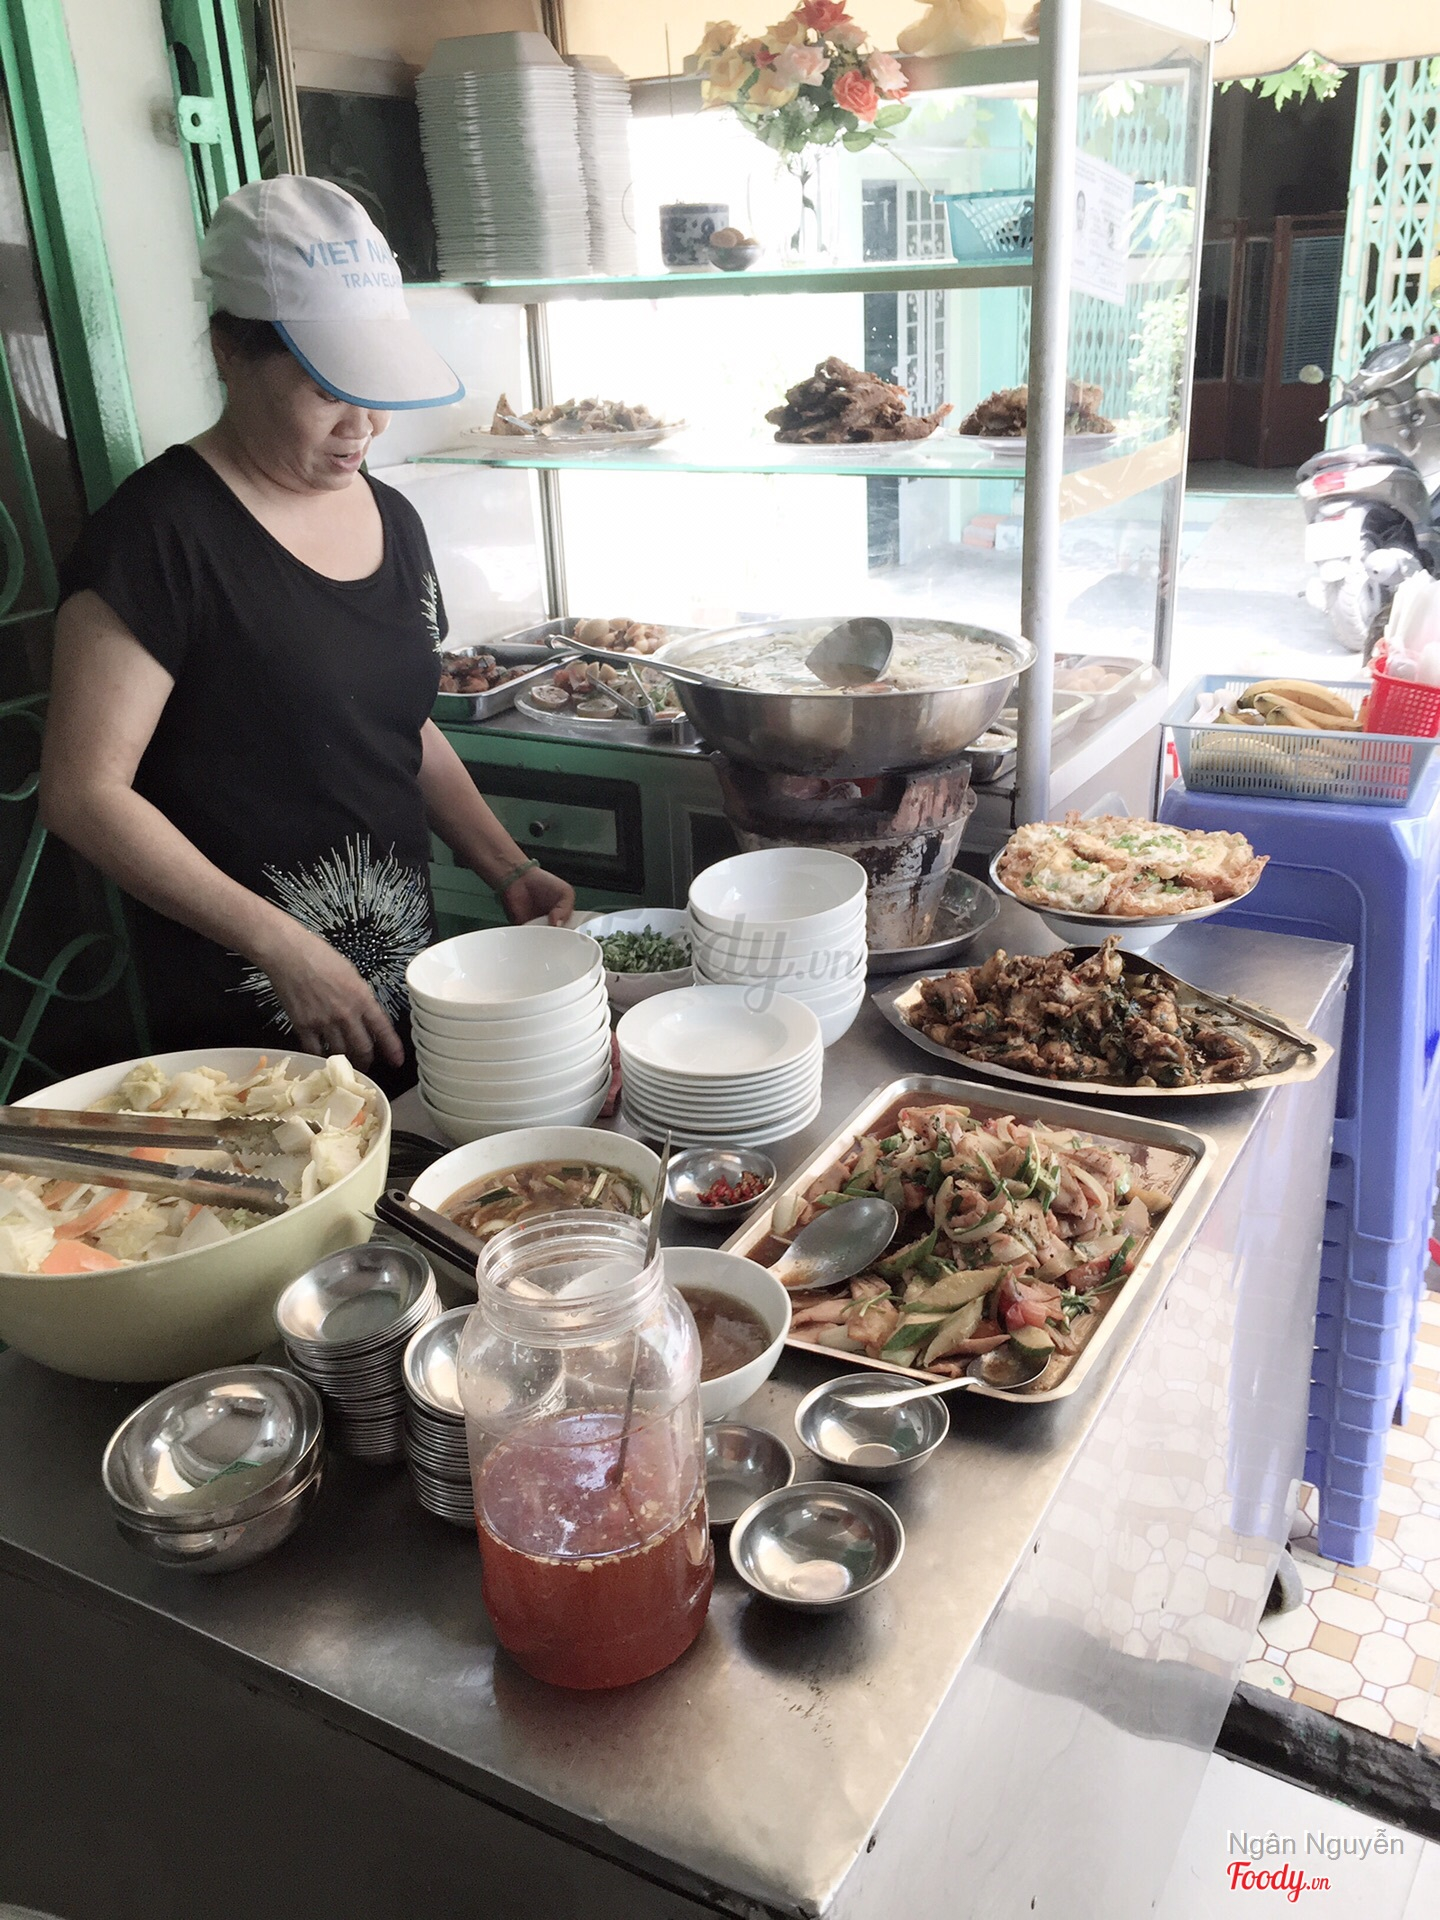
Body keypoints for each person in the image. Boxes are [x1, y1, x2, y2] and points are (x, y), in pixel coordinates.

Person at [39, 176, 573, 1091]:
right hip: (240, 1006)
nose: (363, 426)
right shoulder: (158, 537)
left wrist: (505, 866)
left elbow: (394, 717)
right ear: (228, 352)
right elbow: (85, 794)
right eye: (329, 388)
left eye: (376, 388)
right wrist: (281, 945)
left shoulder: (393, 518)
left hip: (399, 977)